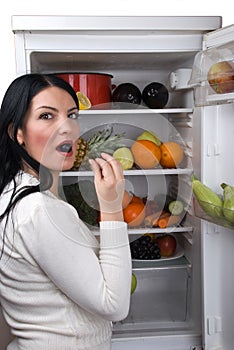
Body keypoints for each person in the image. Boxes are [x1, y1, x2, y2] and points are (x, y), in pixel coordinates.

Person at [0, 73, 132, 350]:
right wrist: (111, 207)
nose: (68, 128)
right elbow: (114, 306)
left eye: (71, 115)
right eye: (47, 116)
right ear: (17, 133)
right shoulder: (39, 209)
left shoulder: (16, 191)